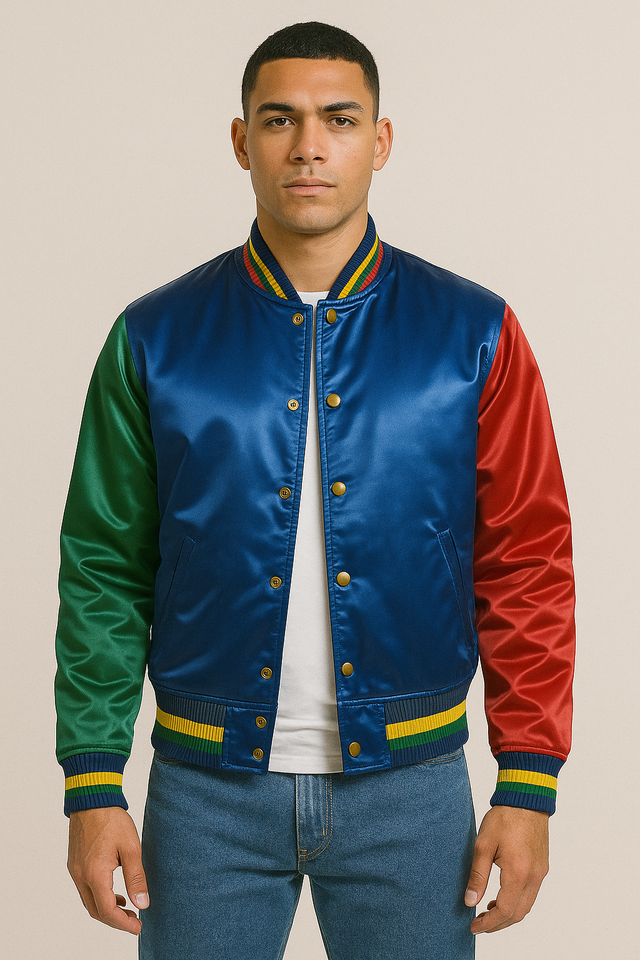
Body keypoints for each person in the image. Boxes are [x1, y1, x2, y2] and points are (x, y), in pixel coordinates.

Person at [55, 21, 575, 960]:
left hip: (413, 791)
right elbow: (103, 568)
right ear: (240, 140)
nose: (308, 146)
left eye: (339, 119)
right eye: (278, 119)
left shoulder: (474, 333)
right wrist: (93, 783)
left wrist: (528, 780)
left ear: (380, 140)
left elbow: (529, 561)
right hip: (203, 795)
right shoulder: (154, 338)